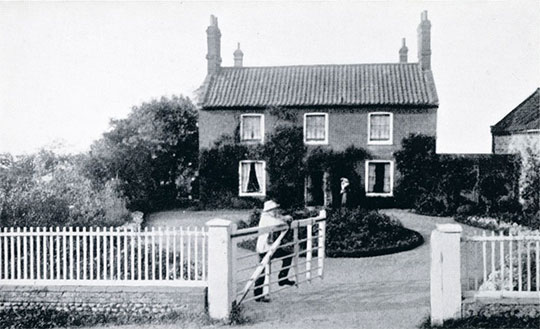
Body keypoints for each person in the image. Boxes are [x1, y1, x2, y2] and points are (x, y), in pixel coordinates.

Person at [253, 200, 296, 302]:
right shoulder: (266, 218)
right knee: (263, 271)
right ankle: (258, 295)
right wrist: (285, 219)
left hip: (271, 247)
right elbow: (278, 223)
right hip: (264, 248)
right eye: (274, 209)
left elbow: (279, 219)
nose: (276, 211)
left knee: (288, 255)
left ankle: (282, 277)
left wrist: (285, 217)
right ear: (269, 210)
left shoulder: (270, 217)